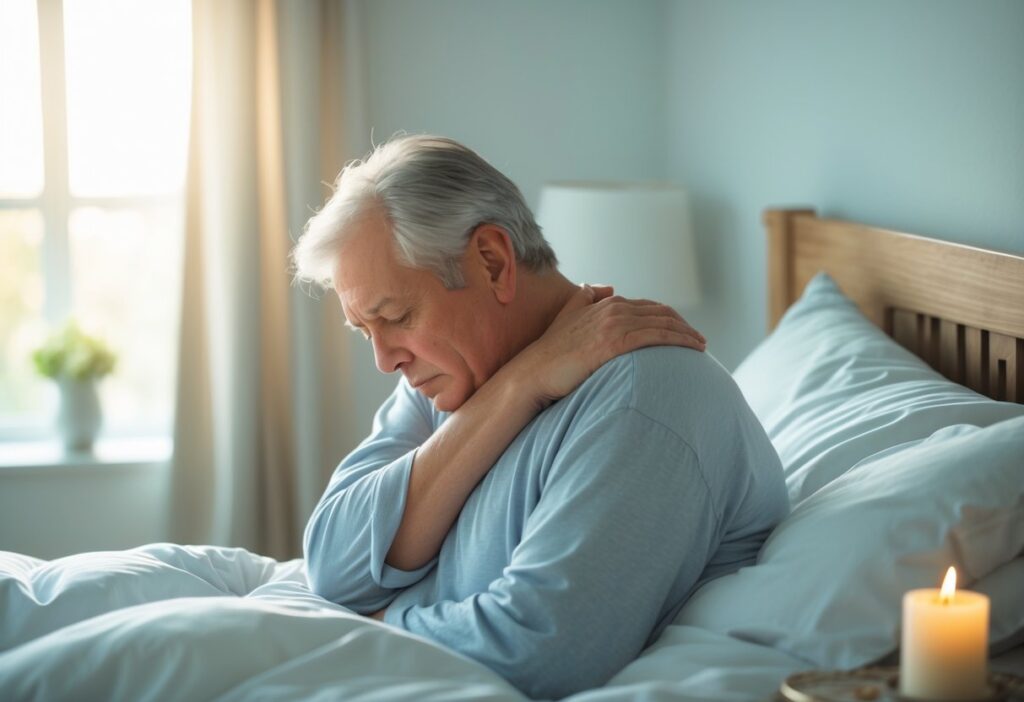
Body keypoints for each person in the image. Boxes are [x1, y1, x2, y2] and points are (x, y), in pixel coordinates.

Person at [292, 135, 788, 699]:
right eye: (366, 332)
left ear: (492, 261)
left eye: (398, 316)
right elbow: (330, 564)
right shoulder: (448, 383)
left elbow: (538, 650)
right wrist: (518, 386)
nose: (385, 361)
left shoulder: (647, 394)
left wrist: (378, 624)